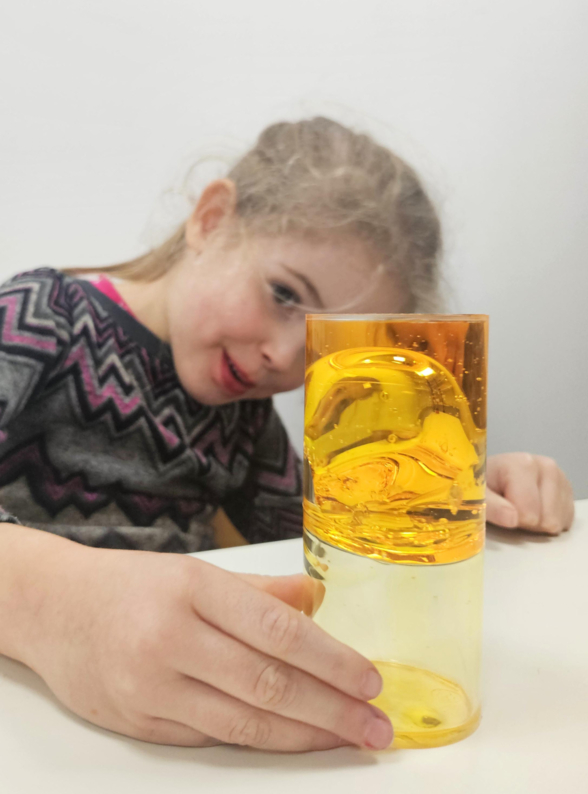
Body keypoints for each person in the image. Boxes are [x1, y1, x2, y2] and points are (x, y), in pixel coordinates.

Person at [0, 118, 574, 753]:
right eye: (283, 294)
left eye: (319, 347)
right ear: (211, 221)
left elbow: (318, 534)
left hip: (165, 727)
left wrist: (449, 483)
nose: (283, 357)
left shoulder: (245, 416)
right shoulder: (42, 316)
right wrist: (60, 606)